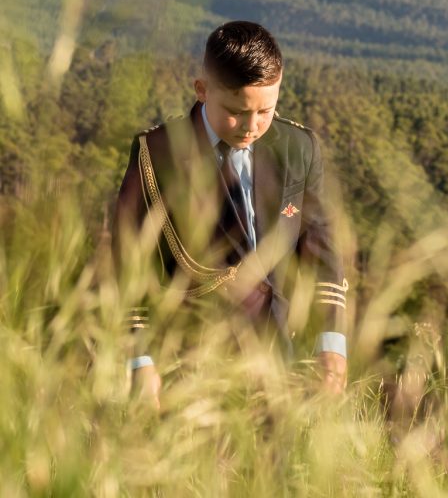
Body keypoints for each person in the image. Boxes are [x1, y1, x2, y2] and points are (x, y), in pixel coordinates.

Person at [112, 21, 347, 404]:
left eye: (266, 111)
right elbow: (128, 263)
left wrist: (331, 346)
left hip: (284, 358)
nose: (252, 126)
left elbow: (322, 250)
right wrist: (140, 360)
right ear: (202, 90)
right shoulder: (157, 154)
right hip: (189, 360)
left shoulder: (299, 148)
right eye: (237, 112)